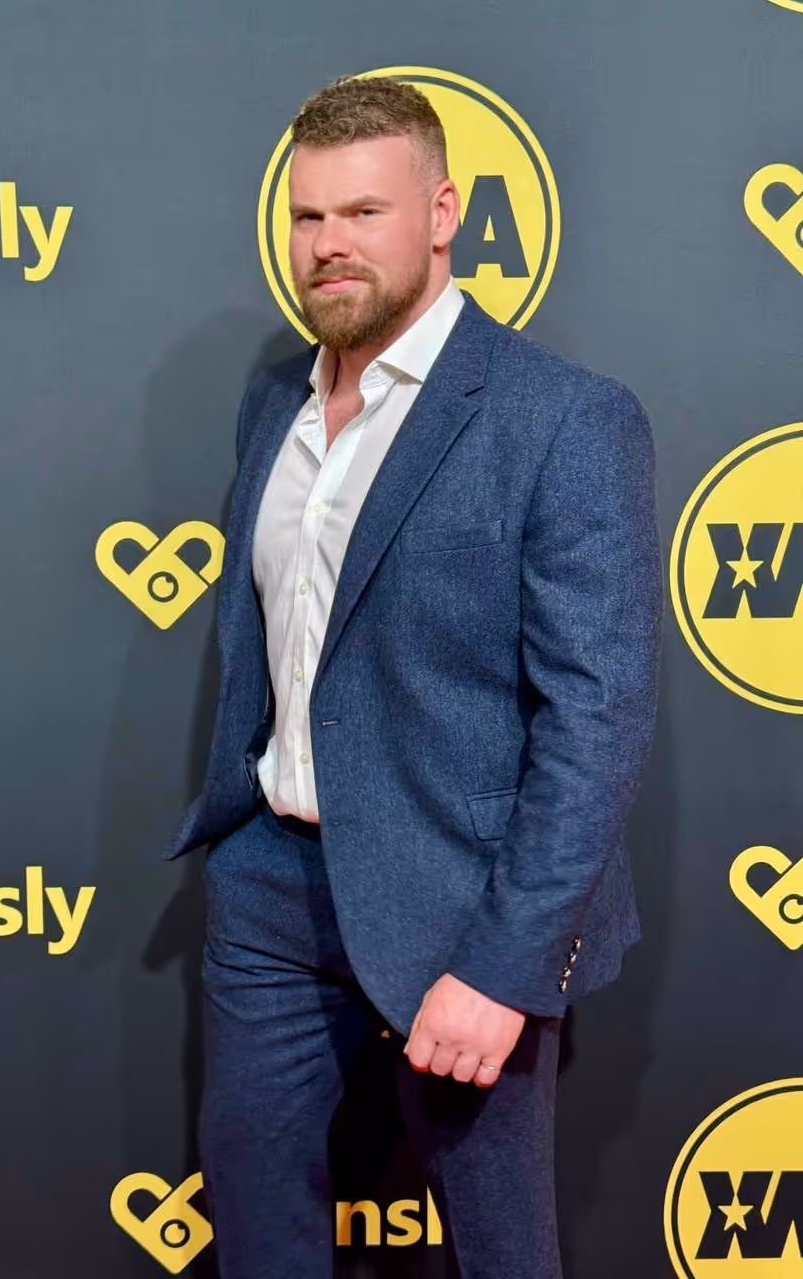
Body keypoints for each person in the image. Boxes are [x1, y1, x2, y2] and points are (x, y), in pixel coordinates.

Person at [163, 73, 662, 1279]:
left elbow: (596, 717)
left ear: (442, 214)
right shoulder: (274, 395)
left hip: (463, 897)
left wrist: (501, 966)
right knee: (260, 1238)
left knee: (501, 1255)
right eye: (308, 218)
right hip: (271, 888)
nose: (329, 247)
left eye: (364, 214)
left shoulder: (563, 419)